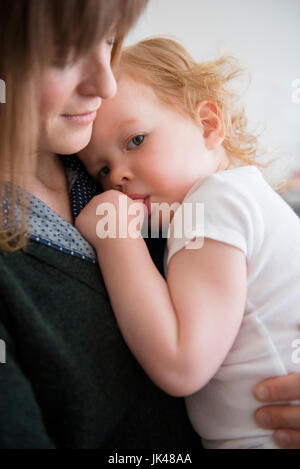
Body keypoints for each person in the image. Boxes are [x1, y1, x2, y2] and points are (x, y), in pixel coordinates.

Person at [75, 37, 300, 449]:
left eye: (136, 140)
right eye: (102, 168)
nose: (117, 177)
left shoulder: (215, 202)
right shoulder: (239, 196)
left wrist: (116, 240)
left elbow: (180, 364)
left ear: (208, 125)